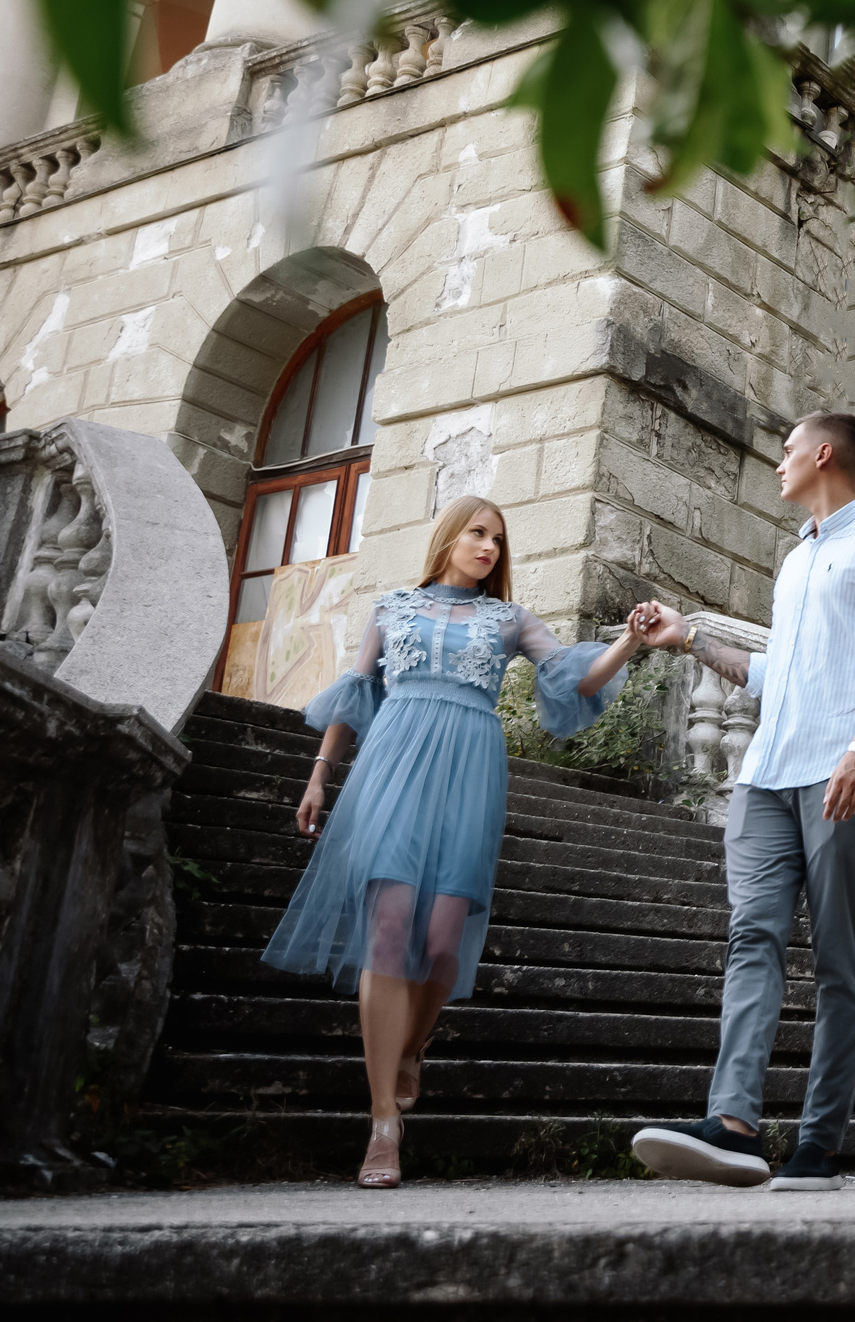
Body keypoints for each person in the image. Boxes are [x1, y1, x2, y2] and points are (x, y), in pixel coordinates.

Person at [263, 495, 647, 1188]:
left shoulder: (510, 619)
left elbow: (573, 677)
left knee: (442, 940)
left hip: (470, 769)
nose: (489, 547)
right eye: (478, 533)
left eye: (497, 539)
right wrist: (320, 774)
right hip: (393, 763)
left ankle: (412, 1046)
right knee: (388, 928)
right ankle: (383, 1122)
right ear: (448, 536)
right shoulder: (391, 608)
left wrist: (628, 642)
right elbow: (354, 696)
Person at [627, 411, 855, 1192]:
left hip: (841, 771)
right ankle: (732, 1125)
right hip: (763, 777)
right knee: (751, 937)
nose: (778, 463)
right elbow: (774, 675)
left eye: (787, 451)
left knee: (837, 959)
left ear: (824, 453)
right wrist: (690, 638)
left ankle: (818, 1145)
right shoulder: (795, 562)